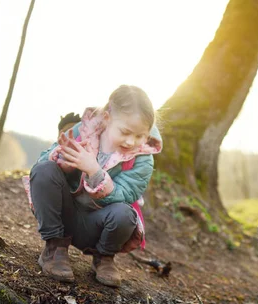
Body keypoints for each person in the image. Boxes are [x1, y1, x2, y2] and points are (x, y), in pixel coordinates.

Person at [23, 85, 162, 288]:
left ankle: (104, 258)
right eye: (125, 132)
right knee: (45, 170)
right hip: (64, 213)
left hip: (99, 225)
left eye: (140, 136)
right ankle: (54, 249)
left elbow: (125, 195)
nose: (131, 141)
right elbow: (42, 164)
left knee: (125, 214)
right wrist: (64, 163)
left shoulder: (143, 159)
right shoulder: (83, 130)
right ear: (107, 119)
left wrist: (95, 172)